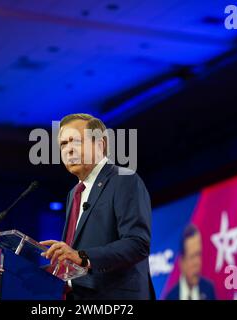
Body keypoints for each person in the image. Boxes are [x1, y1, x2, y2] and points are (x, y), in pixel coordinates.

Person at [40, 113, 155, 300]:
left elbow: (138, 244)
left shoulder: (123, 179)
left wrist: (82, 257)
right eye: (63, 144)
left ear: (100, 144)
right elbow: (76, 257)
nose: (68, 150)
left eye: (75, 141)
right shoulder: (74, 193)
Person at [165, 224, 216, 300]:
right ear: (182, 262)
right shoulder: (170, 297)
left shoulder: (209, 290)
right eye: (192, 257)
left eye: (198, 254)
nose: (197, 262)